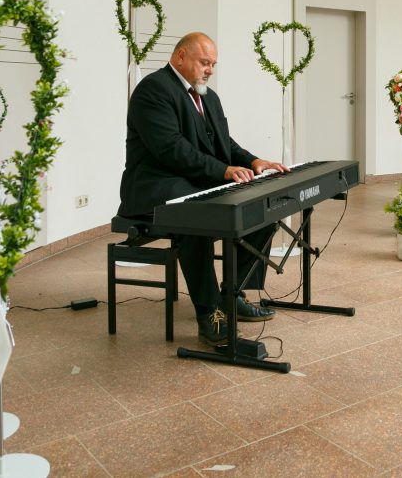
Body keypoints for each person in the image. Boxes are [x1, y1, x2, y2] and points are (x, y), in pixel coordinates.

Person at [118, 32, 287, 346]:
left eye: (213, 64)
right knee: (195, 219)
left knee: (264, 207)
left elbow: (224, 144)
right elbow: (170, 149)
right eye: (204, 62)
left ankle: (231, 295)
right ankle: (210, 315)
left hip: (193, 181)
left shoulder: (207, 95)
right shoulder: (153, 90)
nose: (209, 69)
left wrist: (253, 160)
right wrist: (223, 170)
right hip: (155, 186)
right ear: (181, 56)